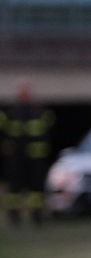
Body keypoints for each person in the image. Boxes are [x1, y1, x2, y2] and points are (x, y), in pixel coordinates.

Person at [1, 79, 54, 226]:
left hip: (36, 159)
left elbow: (49, 134)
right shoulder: (10, 112)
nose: (24, 94)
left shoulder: (40, 111)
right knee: (14, 189)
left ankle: (36, 216)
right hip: (15, 158)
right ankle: (14, 217)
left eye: (26, 91)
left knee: (36, 188)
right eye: (22, 91)